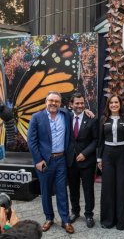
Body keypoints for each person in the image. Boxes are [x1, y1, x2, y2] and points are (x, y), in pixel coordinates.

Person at [27, 91, 74, 234]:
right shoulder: (37, 117)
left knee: (62, 191)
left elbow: (79, 112)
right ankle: (49, 218)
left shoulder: (66, 115)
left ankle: (65, 220)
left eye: (57, 101)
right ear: (45, 102)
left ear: (61, 103)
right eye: (51, 100)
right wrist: (38, 160)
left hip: (61, 160)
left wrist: (88, 112)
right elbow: (31, 141)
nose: (53, 103)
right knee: (45, 191)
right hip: (44, 161)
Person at [98, 95, 124, 230]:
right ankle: (107, 220)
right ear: (108, 105)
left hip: (123, 155)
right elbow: (100, 141)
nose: (113, 104)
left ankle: (121, 220)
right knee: (108, 188)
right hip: (107, 155)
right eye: (111, 102)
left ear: (120, 104)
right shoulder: (103, 119)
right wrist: (99, 159)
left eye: (116, 102)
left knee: (122, 187)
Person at [66, 92, 97, 228]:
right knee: (73, 189)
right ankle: (75, 211)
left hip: (87, 161)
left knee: (88, 189)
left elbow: (96, 140)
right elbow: (54, 108)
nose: (80, 105)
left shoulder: (92, 118)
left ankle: (89, 214)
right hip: (71, 161)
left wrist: (85, 153)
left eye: (82, 103)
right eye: (77, 103)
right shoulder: (66, 116)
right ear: (71, 105)